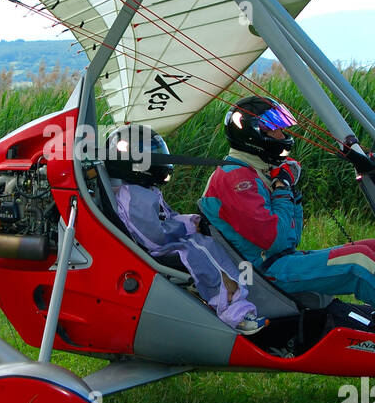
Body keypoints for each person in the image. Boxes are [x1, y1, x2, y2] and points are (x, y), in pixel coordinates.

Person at [198, 96, 375, 340]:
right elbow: (275, 240)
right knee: (358, 262)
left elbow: (290, 238)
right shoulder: (235, 179)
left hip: (279, 260)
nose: (283, 134)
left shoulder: (256, 171)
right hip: (262, 273)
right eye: (275, 128)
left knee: (373, 248)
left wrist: (288, 187)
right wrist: (283, 188)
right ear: (254, 134)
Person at [105, 124, 266, 334]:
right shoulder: (135, 197)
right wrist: (188, 226)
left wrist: (190, 221)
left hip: (162, 244)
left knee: (206, 245)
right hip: (154, 251)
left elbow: (167, 218)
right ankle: (232, 313)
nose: (160, 159)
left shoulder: (144, 191)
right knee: (200, 251)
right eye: (154, 155)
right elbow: (154, 237)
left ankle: (237, 301)